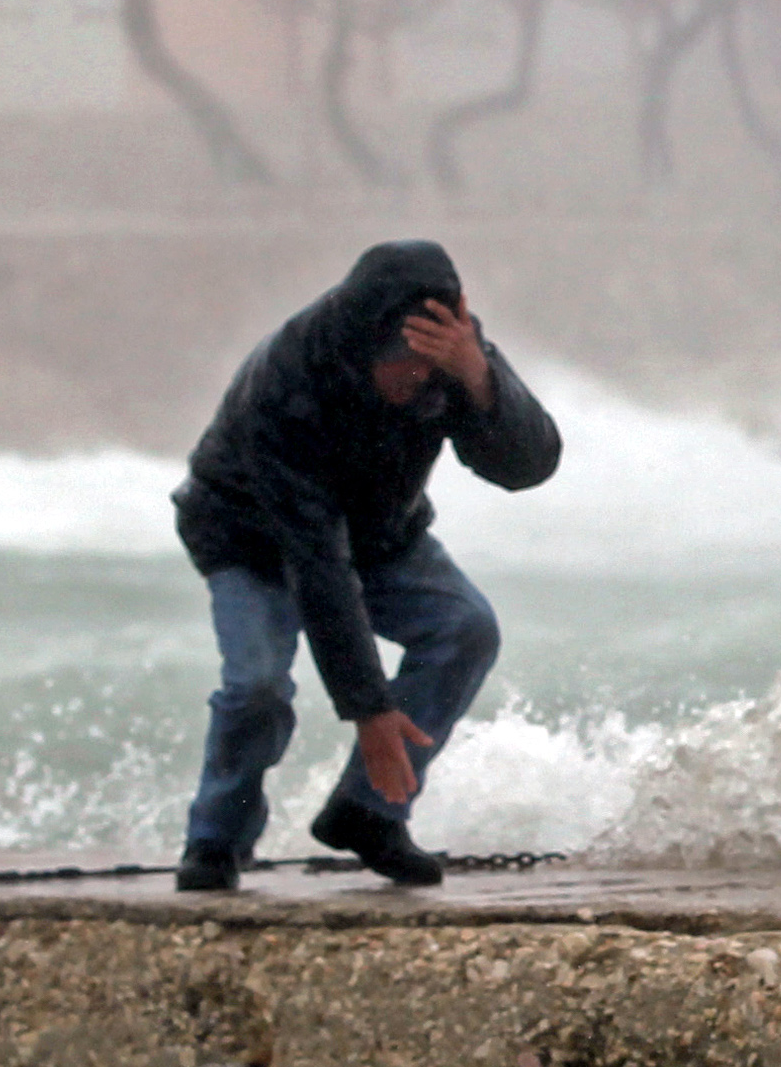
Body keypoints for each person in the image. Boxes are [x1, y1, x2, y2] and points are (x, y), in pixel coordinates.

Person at [167, 240, 560, 891]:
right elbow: (317, 561)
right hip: (251, 534)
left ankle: (369, 813)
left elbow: (527, 467)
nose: (417, 380)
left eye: (429, 368)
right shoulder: (289, 378)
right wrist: (370, 711)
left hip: (381, 529)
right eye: (402, 365)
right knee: (257, 684)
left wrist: (478, 374)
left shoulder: (450, 351)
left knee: (466, 627)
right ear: (363, 343)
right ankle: (216, 837)